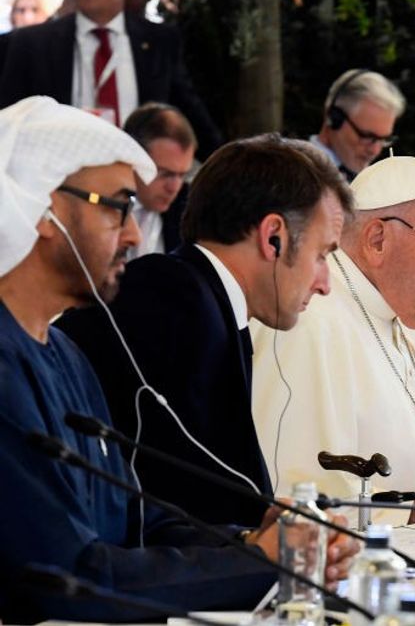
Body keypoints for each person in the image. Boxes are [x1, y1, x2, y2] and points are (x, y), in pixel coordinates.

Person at [0, 97, 355, 622]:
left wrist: (258, 544)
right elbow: (69, 576)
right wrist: (260, 563)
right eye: (117, 205)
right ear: (44, 209)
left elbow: (136, 519)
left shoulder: (65, 356)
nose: (135, 234)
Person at [56, 134, 352, 527]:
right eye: (321, 255)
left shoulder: (201, 297)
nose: (325, 283)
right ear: (273, 237)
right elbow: (161, 499)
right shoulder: (169, 296)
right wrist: (255, 544)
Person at [251, 156, 415, 524]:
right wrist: (409, 514)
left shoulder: (402, 314)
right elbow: (292, 494)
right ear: (377, 240)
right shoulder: (308, 320)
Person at [0, 0, 222, 155]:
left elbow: (188, 110)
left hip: (136, 176)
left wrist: (224, 164)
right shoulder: (33, 43)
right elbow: (10, 118)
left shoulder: (159, 41)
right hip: (57, 177)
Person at [123, 102, 196, 258]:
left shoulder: (191, 210)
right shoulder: (102, 206)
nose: (174, 187)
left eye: (182, 175)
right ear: (132, 159)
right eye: (165, 174)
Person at [310, 68, 405, 181]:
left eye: (384, 139)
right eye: (367, 136)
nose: (375, 150)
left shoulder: (374, 185)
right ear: (334, 118)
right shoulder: (290, 171)